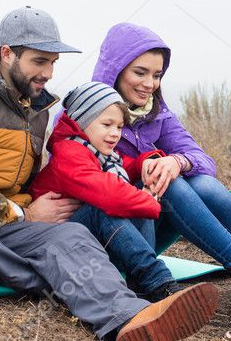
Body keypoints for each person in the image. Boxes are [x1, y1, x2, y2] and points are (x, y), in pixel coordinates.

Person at [0, 6, 217, 341]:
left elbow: (27, 183)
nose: (48, 72)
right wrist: (25, 215)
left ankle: (128, 318)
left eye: (53, 62)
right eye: (39, 61)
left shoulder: (34, 109)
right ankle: (46, 280)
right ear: (7, 53)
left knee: (69, 235)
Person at [92, 22, 231, 303]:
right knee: (168, 185)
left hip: (147, 222)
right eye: (140, 72)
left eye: (157, 75)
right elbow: (87, 178)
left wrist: (177, 161)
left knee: (201, 182)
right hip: (111, 234)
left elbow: (204, 161)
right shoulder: (87, 112)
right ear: (115, 68)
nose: (149, 84)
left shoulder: (156, 113)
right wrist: (149, 170)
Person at [30, 81, 186, 302]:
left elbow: (125, 165)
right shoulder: (69, 152)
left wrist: (146, 164)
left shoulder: (100, 153)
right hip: (57, 242)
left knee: (134, 196)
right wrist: (149, 202)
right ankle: (157, 281)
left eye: (120, 127)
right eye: (107, 124)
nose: (115, 134)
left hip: (84, 237)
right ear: (82, 122)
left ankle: (140, 281)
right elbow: (107, 193)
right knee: (107, 208)